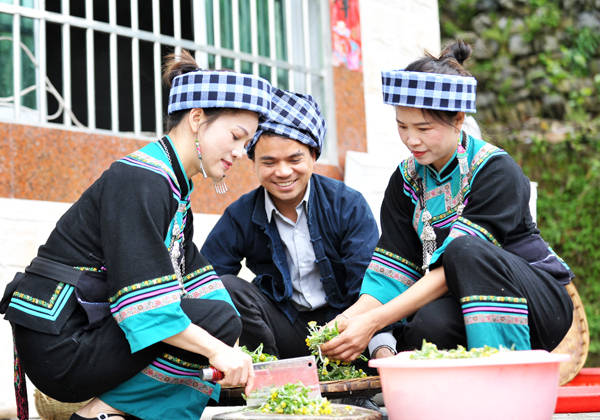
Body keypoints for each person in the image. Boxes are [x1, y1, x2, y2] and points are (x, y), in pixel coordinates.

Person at [0, 50, 273, 420]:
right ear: (197, 118)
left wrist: (240, 348)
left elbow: (199, 280)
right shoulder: (142, 180)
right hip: (63, 343)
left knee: (224, 315)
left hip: (89, 329)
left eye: (247, 143)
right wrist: (217, 350)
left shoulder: (172, 185)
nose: (241, 153)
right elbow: (144, 307)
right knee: (214, 324)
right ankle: (100, 412)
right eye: (237, 136)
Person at [321, 40, 574, 362]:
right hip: (462, 297)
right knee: (425, 327)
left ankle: (504, 373)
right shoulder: (406, 180)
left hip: (537, 303)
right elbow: (392, 271)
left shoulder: (496, 170)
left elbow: (459, 260)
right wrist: (343, 324)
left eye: (424, 128)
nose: (411, 139)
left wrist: (372, 323)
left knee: (464, 248)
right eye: (402, 126)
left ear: (457, 119)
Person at [200, 87, 379, 360]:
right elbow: (205, 279)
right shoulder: (241, 214)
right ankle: (269, 375)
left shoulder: (347, 204)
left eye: (295, 159)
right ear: (254, 163)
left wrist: (353, 331)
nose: (283, 172)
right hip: (283, 329)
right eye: (269, 162)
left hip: (345, 329)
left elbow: (369, 284)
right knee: (226, 286)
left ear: (313, 156)